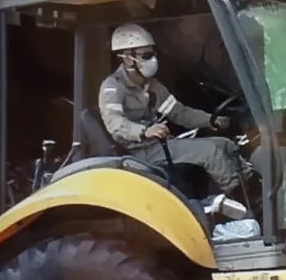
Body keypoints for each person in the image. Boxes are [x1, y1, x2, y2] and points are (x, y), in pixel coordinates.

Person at [98, 23, 245, 195]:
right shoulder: (113, 88)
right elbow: (115, 123)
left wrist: (211, 120)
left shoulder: (152, 86)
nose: (152, 59)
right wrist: (145, 131)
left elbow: (180, 113)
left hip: (160, 144)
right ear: (128, 59)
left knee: (225, 145)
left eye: (153, 54)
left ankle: (254, 187)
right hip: (139, 152)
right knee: (211, 153)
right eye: (146, 55)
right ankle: (239, 199)